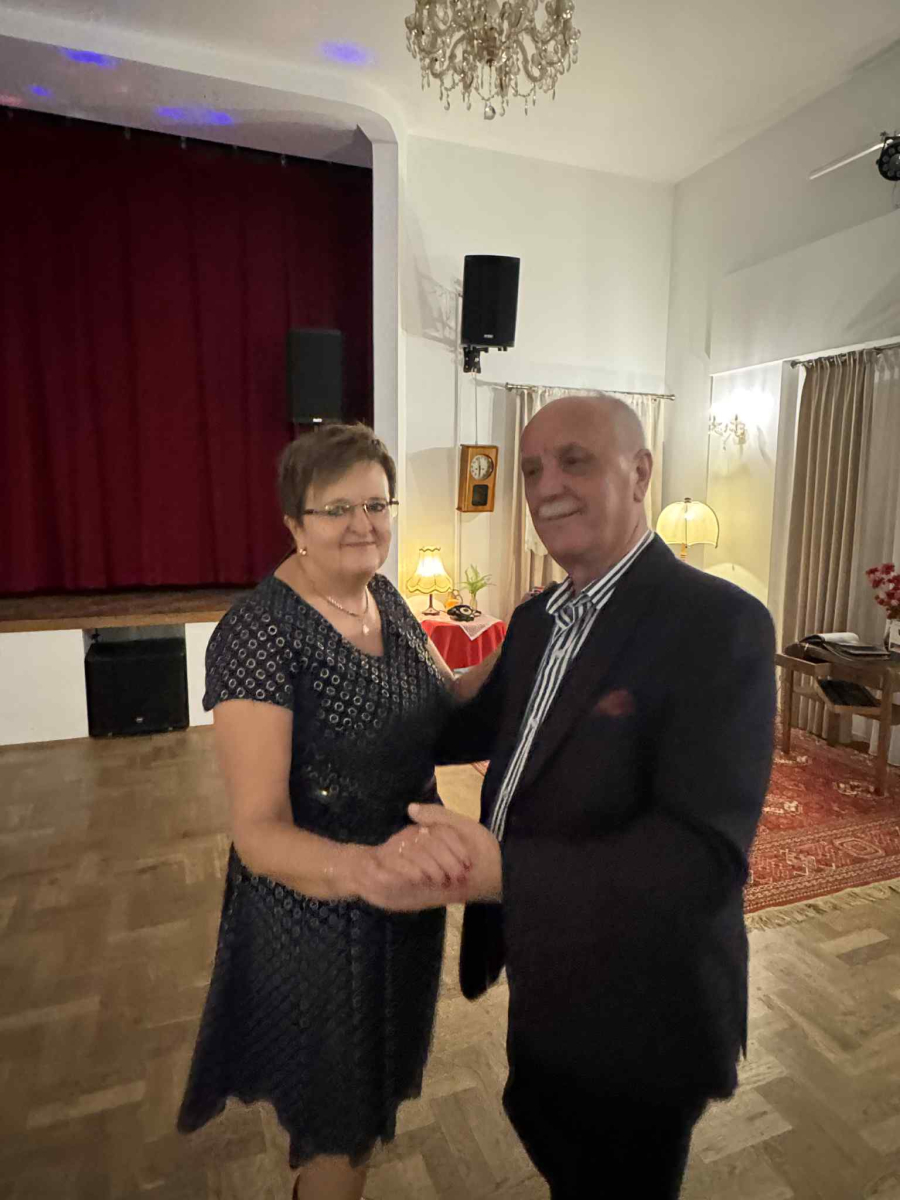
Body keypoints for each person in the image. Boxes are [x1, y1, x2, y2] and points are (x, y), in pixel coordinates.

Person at [402, 394, 776, 1199]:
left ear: (640, 473)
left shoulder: (718, 624)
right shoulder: (539, 618)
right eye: (533, 469)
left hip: (643, 1013)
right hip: (548, 972)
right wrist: (343, 680)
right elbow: (469, 727)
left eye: (575, 461)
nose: (546, 487)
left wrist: (504, 874)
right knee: (557, 1151)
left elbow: (701, 859)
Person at [177, 422, 483, 1200]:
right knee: (339, 1131)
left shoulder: (385, 596)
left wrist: (535, 653)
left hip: (402, 900)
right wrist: (366, 870)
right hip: (318, 914)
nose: (362, 524)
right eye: (336, 508)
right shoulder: (259, 633)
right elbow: (257, 831)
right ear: (295, 523)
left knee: (366, 1107)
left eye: (376, 504)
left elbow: (443, 709)